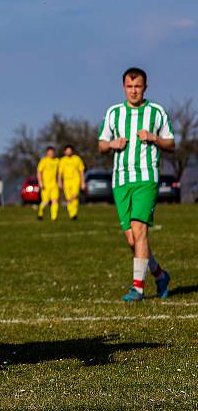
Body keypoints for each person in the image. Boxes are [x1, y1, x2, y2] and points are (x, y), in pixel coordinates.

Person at [98, 67, 174, 302]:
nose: (133, 91)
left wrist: (154, 138)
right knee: (132, 238)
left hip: (146, 179)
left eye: (138, 86)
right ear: (124, 87)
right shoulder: (113, 113)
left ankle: (138, 288)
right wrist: (112, 144)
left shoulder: (156, 112)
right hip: (120, 180)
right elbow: (101, 145)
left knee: (140, 230)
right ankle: (160, 275)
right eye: (130, 87)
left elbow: (171, 143)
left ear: (145, 87)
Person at [57, 145, 85, 219]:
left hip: (76, 180)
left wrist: (83, 182)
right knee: (68, 198)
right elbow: (60, 173)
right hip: (66, 181)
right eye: (67, 150)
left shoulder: (77, 159)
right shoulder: (62, 160)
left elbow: (81, 171)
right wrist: (59, 182)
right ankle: (71, 214)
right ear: (64, 152)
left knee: (75, 196)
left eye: (70, 150)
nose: (68, 152)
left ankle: (74, 213)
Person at [36, 147, 60, 221]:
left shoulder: (57, 161)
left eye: (52, 152)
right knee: (45, 202)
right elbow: (39, 172)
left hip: (54, 185)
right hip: (45, 185)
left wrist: (59, 182)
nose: (51, 153)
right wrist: (40, 182)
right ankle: (40, 212)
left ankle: (54, 217)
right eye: (50, 152)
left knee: (55, 200)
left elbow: (59, 172)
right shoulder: (44, 161)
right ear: (47, 153)